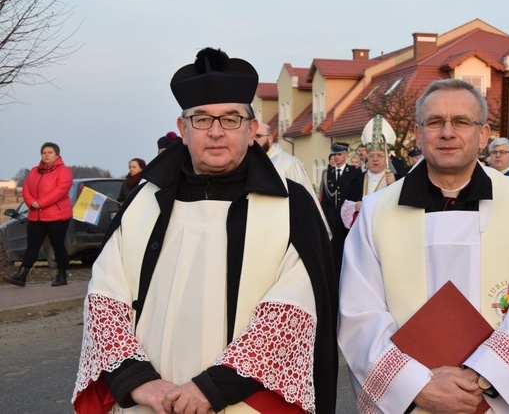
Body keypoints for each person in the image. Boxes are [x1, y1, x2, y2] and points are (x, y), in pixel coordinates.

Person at [72, 47, 338, 414]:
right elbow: (105, 297)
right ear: (183, 129)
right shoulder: (142, 203)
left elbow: (293, 311)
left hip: (244, 402)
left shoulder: (291, 207)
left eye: (231, 119)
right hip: (150, 401)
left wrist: (213, 387)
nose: (215, 132)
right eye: (201, 119)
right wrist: (137, 380)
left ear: (251, 130)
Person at [338, 79, 509, 413]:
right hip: (415, 401)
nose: (447, 132)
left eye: (461, 121)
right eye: (434, 122)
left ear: (483, 134)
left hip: (490, 398)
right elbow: (360, 313)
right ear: (418, 134)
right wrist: (416, 384)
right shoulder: (378, 210)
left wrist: (483, 376)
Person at [3, 142, 73, 288]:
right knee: (32, 245)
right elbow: (26, 188)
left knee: (57, 245)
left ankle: (62, 275)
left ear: (57, 155)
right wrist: (31, 203)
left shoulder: (64, 171)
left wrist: (41, 203)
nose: (46, 155)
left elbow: (60, 190)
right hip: (36, 216)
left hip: (57, 215)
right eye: (44, 152)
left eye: (49, 152)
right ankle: (22, 274)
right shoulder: (34, 170)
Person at [255, 123, 331, 238]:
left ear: (270, 138)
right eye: (252, 137)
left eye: (258, 136)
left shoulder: (288, 163)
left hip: (284, 226)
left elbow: (303, 198)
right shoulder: (251, 163)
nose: (254, 141)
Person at [341, 115, 398, 229]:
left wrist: (394, 185)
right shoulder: (356, 181)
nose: (375, 159)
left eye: (380, 156)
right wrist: (355, 206)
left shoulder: (397, 180)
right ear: (367, 158)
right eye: (372, 156)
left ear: (387, 159)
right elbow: (344, 206)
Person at [320, 142, 358, 274]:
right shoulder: (328, 173)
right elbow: (325, 197)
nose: (336, 157)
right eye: (334, 154)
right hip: (331, 216)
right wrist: (322, 216)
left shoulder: (354, 172)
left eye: (339, 154)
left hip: (346, 217)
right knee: (331, 247)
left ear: (346, 155)